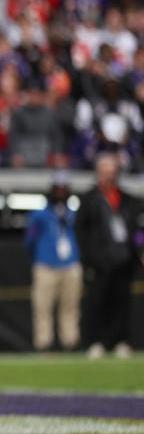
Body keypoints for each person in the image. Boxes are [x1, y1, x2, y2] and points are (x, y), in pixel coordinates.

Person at [75, 153, 142, 359]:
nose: (108, 176)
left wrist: (139, 251)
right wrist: (88, 257)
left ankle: (121, 340)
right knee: (97, 302)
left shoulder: (128, 200)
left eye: (111, 171)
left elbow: (137, 230)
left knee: (122, 302)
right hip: (100, 261)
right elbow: (81, 231)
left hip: (123, 259)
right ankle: (96, 341)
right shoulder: (89, 200)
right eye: (104, 171)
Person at [25, 172, 81, 351]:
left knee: (70, 306)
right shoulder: (40, 215)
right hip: (45, 265)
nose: (60, 193)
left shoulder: (73, 214)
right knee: (43, 307)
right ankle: (43, 343)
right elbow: (29, 239)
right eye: (57, 189)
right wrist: (36, 258)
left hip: (70, 264)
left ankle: (70, 341)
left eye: (63, 189)